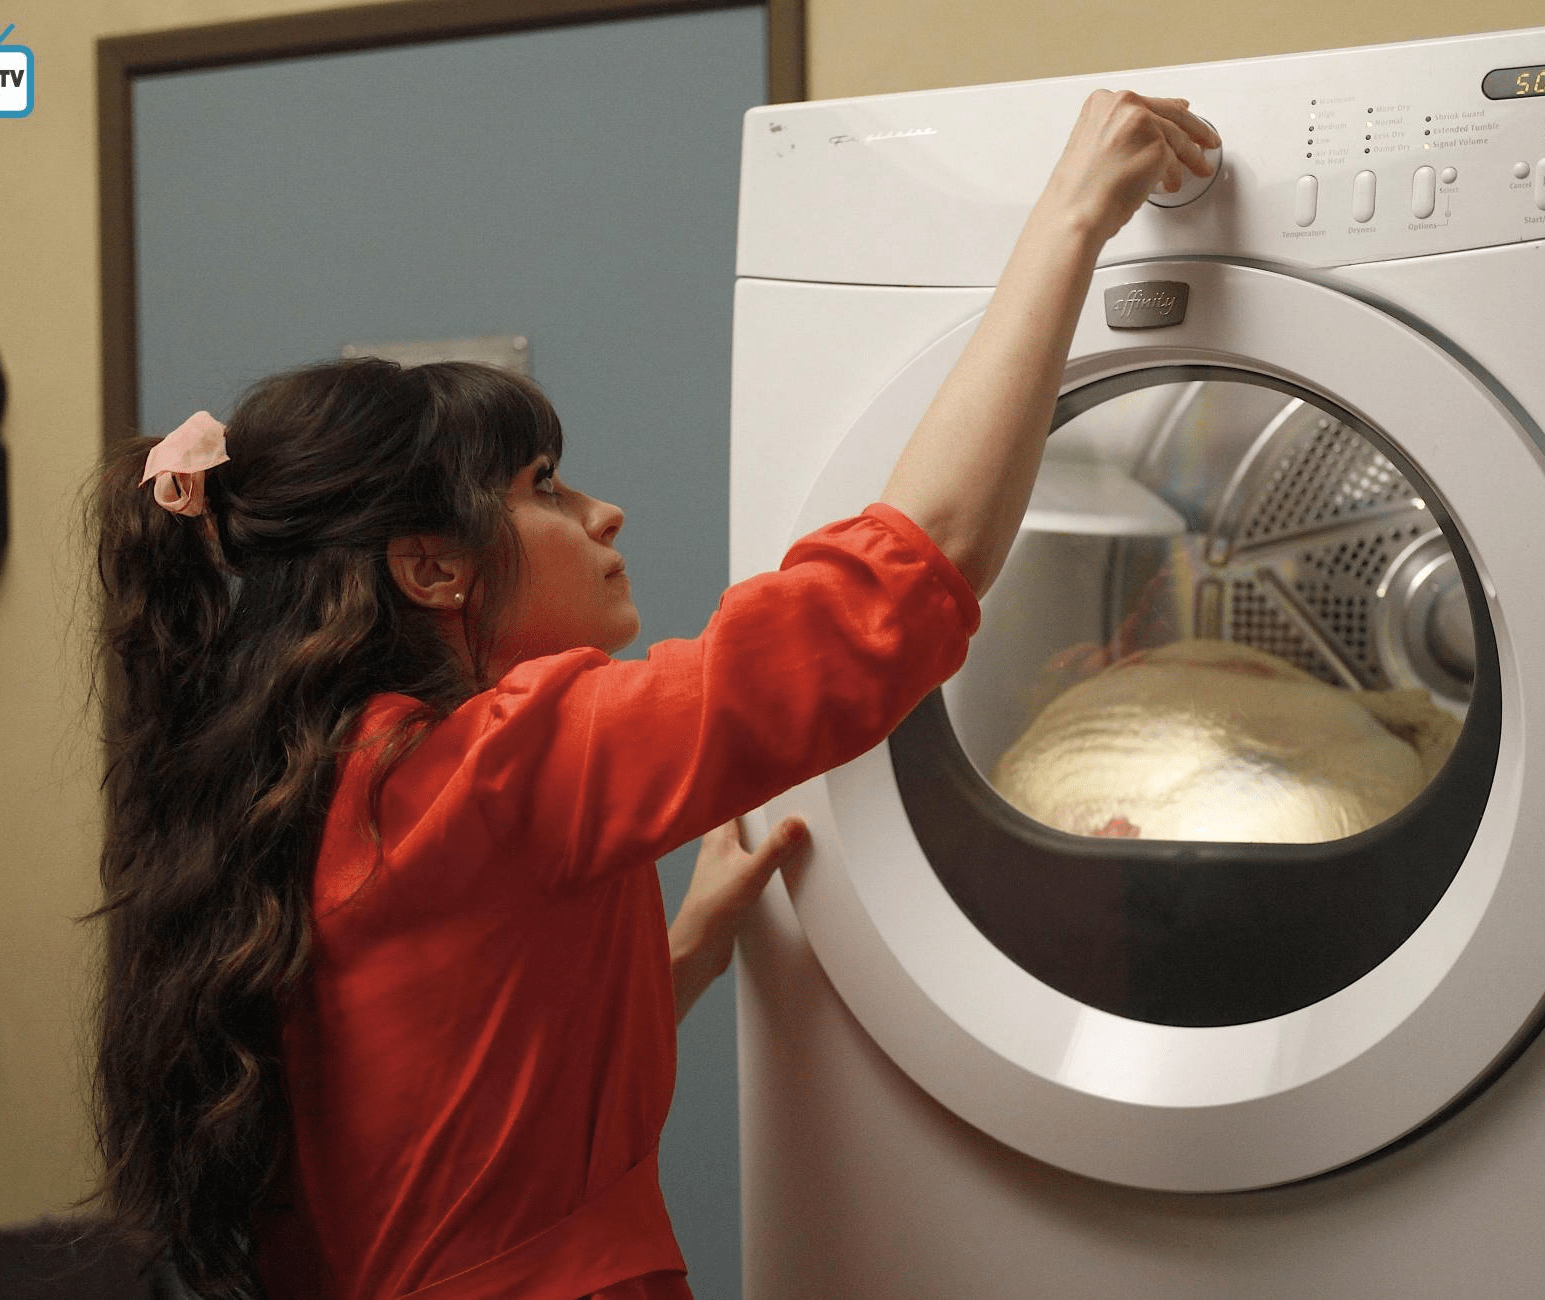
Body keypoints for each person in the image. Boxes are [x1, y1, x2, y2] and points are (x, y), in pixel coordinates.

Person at [87, 91, 1216, 1299]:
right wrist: (1069, 216)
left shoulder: (320, 777)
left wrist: (683, 949)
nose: (602, 512)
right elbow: (884, 596)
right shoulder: (489, 768)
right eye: (545, 487)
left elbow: (466, 1098)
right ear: (431, 568)